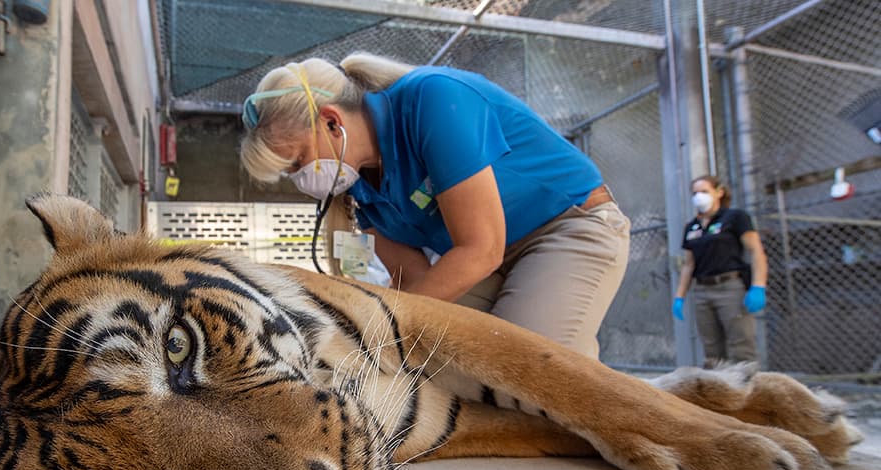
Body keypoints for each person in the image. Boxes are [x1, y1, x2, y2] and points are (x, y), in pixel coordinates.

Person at [239, 53, 630, 360]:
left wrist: (381, 331)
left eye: (297, 160)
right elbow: (413, 282)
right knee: (443, 368)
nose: (302, 177)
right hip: (495, 260)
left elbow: (479, 249)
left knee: (522, 366)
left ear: (331, 122)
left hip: (567, 225)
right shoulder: (360, 190)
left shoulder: (433, 99)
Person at [672, 175, 768, 367]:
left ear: (719, 192)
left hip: (730, 287)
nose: (699, 197)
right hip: (702, 291)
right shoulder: (692, 227)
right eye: (695, 193)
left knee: (741, 345)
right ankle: (719, 393)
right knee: (712, 350)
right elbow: (689, 264)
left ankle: (748, 393)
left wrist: (758, 286)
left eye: (704, 191)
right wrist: (679, 296)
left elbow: (756, 251)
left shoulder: (735, 217)